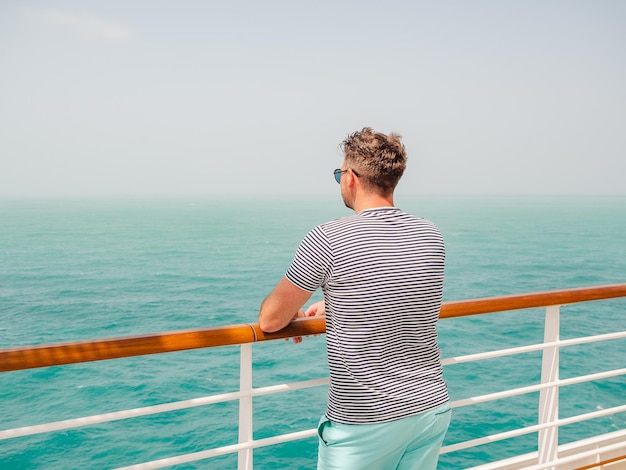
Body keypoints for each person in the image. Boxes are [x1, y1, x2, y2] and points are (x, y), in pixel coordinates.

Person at [258, 127, 450, 469]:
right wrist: (332, 304)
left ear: (351, 178)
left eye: (339, 174)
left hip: (366, 419)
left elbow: (271, 319)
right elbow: (398, 295)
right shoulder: (429, 233)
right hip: (429, 407)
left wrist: (303, 312)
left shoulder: (329, 237)